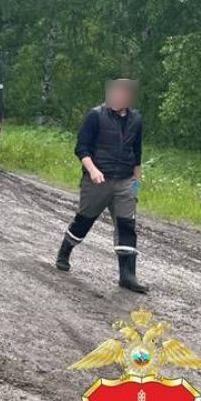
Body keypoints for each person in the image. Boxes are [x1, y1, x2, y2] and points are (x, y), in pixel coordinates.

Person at [55, 78, 148, 293]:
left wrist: (136, 187)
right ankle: (64, 252)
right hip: (98, 180)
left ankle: (127, 276)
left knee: (127, 226)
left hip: (125, 181)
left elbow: (137, 155)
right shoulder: (95, 116)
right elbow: (81, 149)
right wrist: (93, 170)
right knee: (84, 221)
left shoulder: (136, 120)